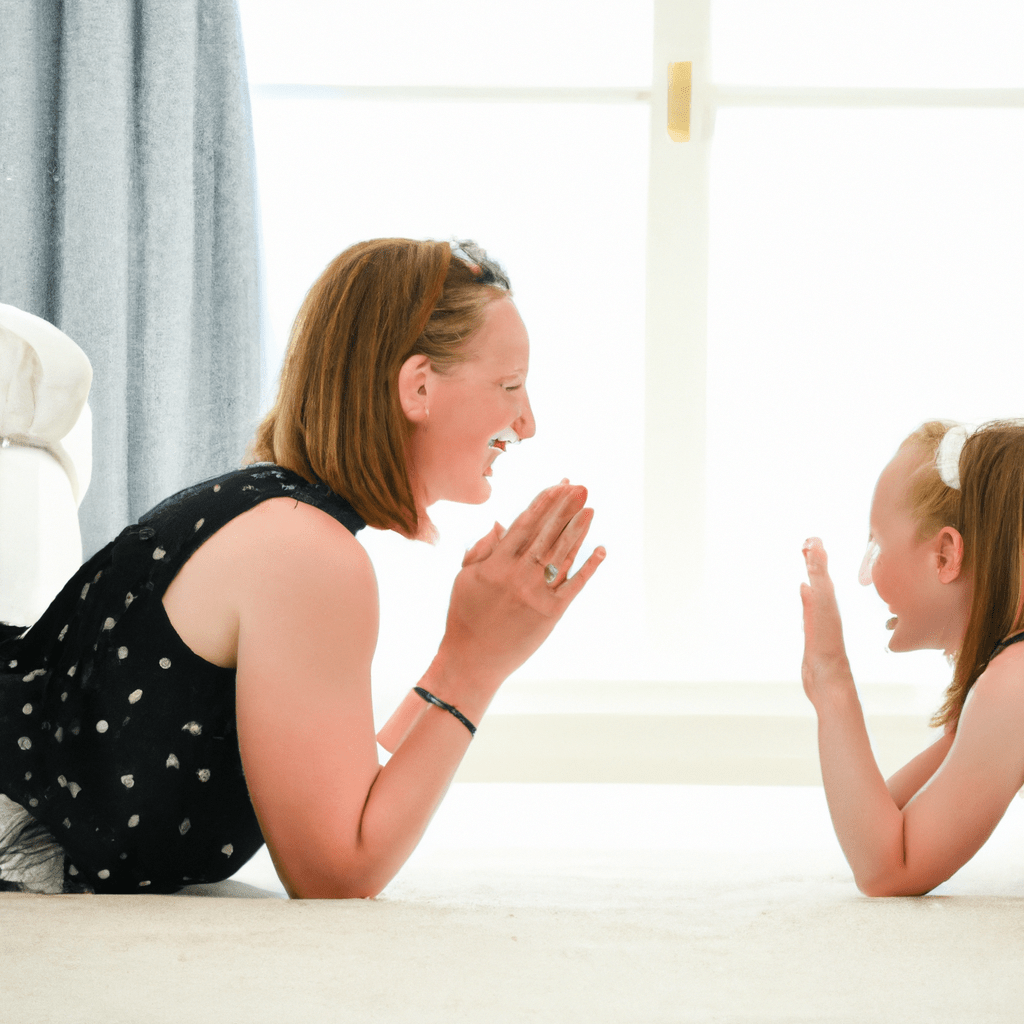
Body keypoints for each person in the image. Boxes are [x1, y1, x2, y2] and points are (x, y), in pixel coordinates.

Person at [0, 238, 606, 897]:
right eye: (510, 386)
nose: (528, 421)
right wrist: (479, 660)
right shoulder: (306, 553)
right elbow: (335, 872)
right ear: (419, 386)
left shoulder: (279, 518)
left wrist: (463, 659)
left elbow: (342, 789)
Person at [800, 419, 1024, 896]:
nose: (865, 575)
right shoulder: (1005, 681)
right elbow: (888, 817)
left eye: (876, 540)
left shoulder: (1014, 683)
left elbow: (889, 867)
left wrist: (832, 679)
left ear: (945, 555)